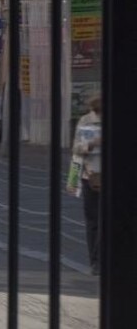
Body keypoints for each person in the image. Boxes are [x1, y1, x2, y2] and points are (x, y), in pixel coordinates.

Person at [71, 96, 103, 275]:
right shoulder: (85, 121)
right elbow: (76, 149)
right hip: (90, 176)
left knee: (102, 221)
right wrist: (92, 144)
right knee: (93, 221)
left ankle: (100, 260)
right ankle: (96, 261)